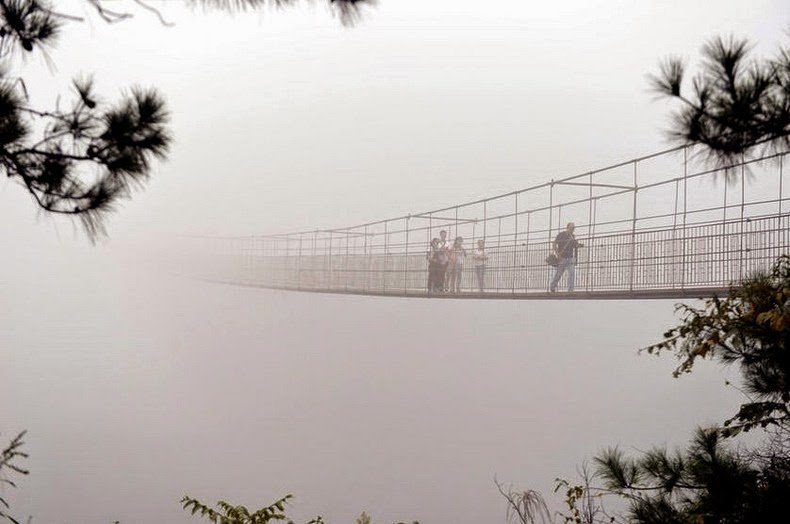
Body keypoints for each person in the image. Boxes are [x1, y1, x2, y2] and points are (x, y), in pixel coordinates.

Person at [550, 222, 582, 292]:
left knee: (572, 273)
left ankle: (570, 290)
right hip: (562, 258)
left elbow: (574, 245)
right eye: (571, 228)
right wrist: (557, 254)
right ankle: (552, 286)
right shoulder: (561, 235)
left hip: (570, 258)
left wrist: (579, 245)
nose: (572, 229)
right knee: (559, 274)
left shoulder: (572, 236)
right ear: (567, 227)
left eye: (573, 228)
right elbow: (554, 243)